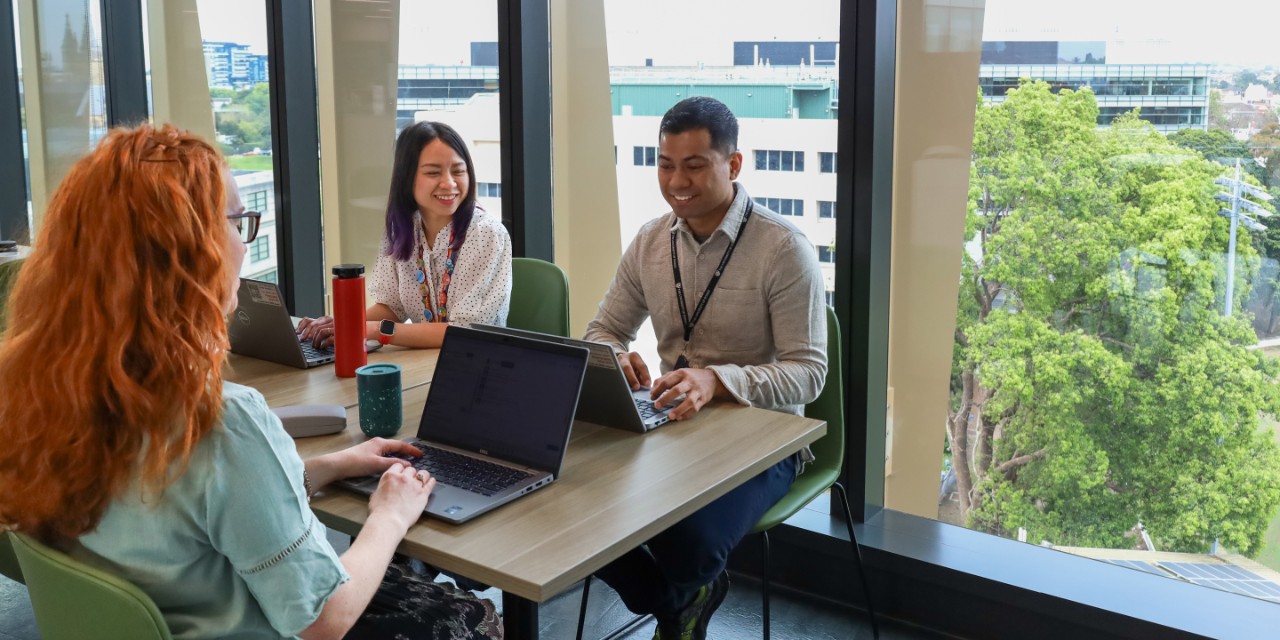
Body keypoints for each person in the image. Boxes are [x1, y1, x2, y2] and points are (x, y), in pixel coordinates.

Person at [0, 124, 502, 640]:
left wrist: (328, 466)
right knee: (472, 618)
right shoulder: (221, 422)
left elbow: (185, 508)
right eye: (238, 222)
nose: (243, 243)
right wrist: (391, 515)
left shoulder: (35, 387)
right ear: (191, 252)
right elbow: (326, 619)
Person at [582, 96, 827, 640]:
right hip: (673, 423)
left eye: (694, 165)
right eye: (665, 165)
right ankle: (680, 603)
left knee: (685, 544)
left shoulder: (784, 249)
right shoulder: (649, 240)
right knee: (570, 505)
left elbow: (808, 373)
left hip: (764, 440)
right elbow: (601, 331)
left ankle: (683, 591)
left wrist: (717, 380)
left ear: (732, 165)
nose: (676, 182)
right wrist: (617, 358)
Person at [298, 121, 512, 349]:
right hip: (422, 361)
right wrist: (343, 324)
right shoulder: (402, 228)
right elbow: (391, 307)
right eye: (433, 172)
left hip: (474, 361)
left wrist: (375, 330)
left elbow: (465, 331)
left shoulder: (485, 234)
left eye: (459, 171)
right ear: (406, 177)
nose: (449, 183)